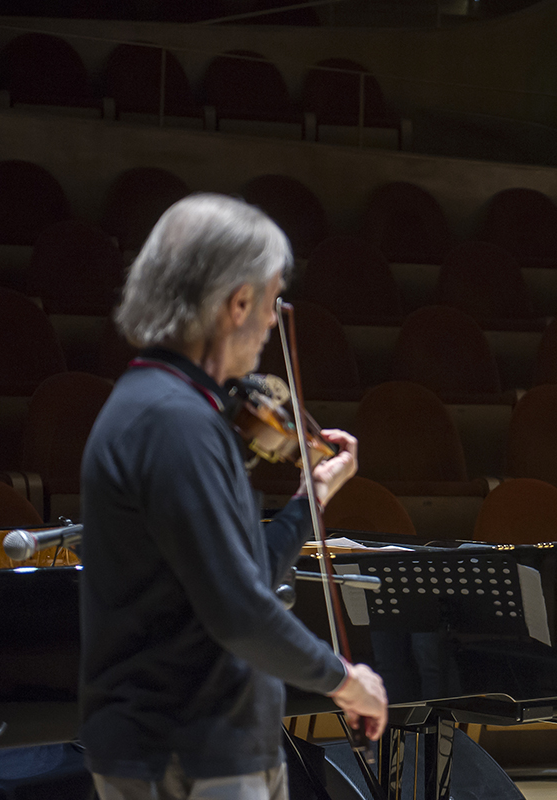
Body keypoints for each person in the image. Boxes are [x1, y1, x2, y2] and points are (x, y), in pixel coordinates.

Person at [79, 194, 389, 800]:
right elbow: (239, 611)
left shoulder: (174, 408)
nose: (274, 321)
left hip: (198, 745)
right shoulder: (176, 423)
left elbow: (246, 577)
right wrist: (345, 682)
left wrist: (310, 500)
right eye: (272, 301)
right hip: (186, 749)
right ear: (237, 303)